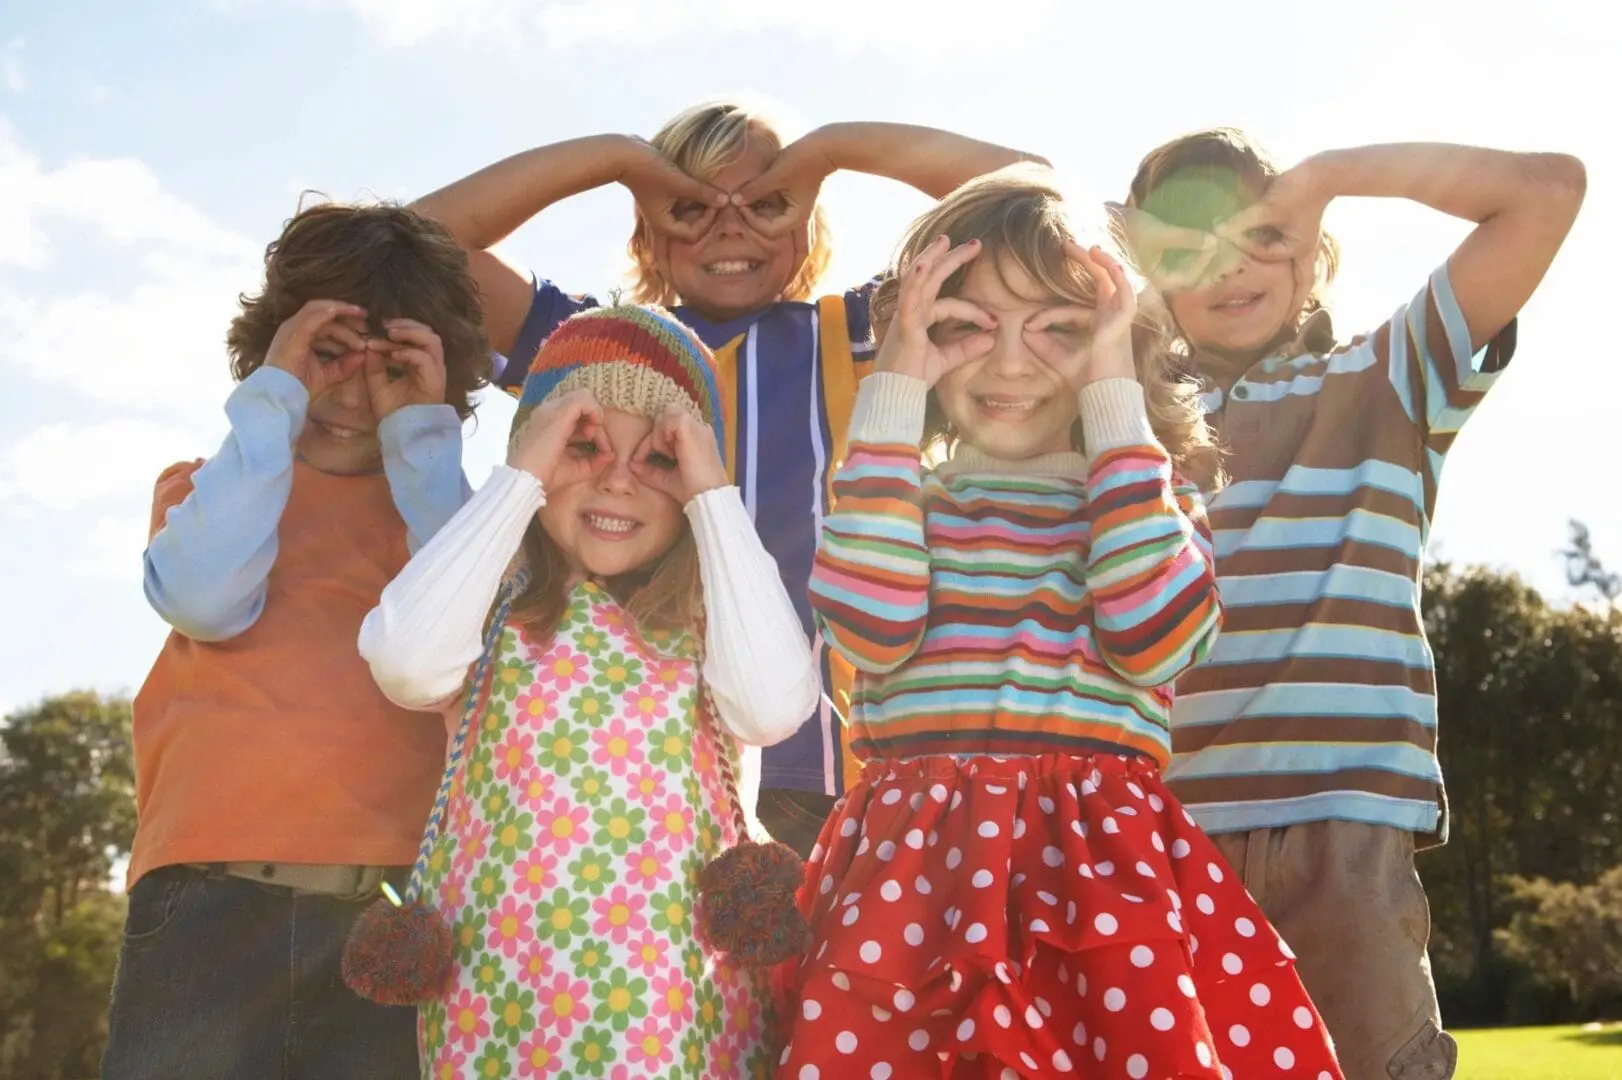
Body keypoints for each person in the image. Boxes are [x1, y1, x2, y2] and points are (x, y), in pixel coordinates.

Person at [777, 167, 1343, 1080]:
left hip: (1099, 876)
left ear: (1119, 344)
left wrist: (1112, 397)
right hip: (914, 884)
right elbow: (870, 630)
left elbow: (1150, 633)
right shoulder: (896, 498)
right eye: (964, 327)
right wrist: (891, 393)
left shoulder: (1145, 503)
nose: (1010, 363)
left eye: (1062, 330)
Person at [411, 99, 1045, 856]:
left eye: (768, 204)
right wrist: (616, 158)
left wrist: (832, 149)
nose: (730, 230)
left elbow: (1031, 196)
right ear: (647, 228)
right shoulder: (585, 347)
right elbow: (415, 245)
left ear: (809, 220)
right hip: (610, 758)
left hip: (812, 758)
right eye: (690, 209)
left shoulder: (849, 337)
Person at [1118, 129, 1586, 1080]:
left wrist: (1328, 177)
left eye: (1260, 236)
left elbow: (1547, 190)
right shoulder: (1120, 419)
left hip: (1344, 829)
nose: (1229, 268)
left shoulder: (1391, 375)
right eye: (1186, 250)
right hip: (1164, 832)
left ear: (1312, 244)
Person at [355, 304, 821, 1078]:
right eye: (583, 444)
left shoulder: (714, 620)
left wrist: (711, 493)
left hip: (679, 1017)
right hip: (502, 1010)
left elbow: (773, 709)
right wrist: (523, 479)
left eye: (660, 459)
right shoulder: (491, 610)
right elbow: (404, 662)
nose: (617, 478)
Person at [100, 202, 490, 1079]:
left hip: (390, 916)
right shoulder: (204, 489)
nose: (351, 396)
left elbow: (473, 644)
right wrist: (274, 402)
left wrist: (422, 437)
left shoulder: (456, 525)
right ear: (273, 354)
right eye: (325, 360)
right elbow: (203, 600)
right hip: (206, 906)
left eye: (387, 369)